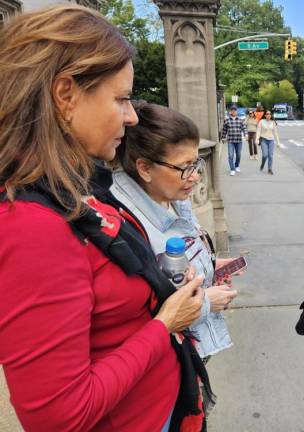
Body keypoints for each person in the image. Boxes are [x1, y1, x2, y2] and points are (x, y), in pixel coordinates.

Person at [0, 6, 211, 431]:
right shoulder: (31, 225)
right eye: (120, 99)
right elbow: (60, 415)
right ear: (65, 94)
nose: (131, 116)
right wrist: (164, 325)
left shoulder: (70, 186)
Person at [110, 100, 238, 364]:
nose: (195, 177)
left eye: (196, 164)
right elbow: (138, 314)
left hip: (191, 351)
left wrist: (210, 266)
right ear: (144, 168)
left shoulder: (171, 195)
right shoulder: (122, 224)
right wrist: (205, 304)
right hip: (165, 363)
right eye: (185, 167)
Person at [221, 105, 247, 176]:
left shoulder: (240, 120)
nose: (233, 111)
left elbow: (244, 128)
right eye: (232, 110)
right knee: (230, 155)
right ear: (230, 112)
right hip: (230, 141)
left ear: (236, 111)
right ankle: (232, 169)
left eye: (235, 110)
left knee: (238, 155)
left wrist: (246, 135)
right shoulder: (227, 120)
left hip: (239, 141)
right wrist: (223, 138)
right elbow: (224, 130)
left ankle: (237, 165)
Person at [256, 110, 281, 175]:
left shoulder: (273, 122)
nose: (268, 115)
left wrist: (278, 142)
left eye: (269, 114)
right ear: (265, 115)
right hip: (264, 140)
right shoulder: (261, 121)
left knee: (270, 155)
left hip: (271, 141)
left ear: (271, 115)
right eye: (267, 114)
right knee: (265, 155)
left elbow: (275, 132)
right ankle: (262, 164)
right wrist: (257, 139)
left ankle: (270, 169)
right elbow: (258, 131)